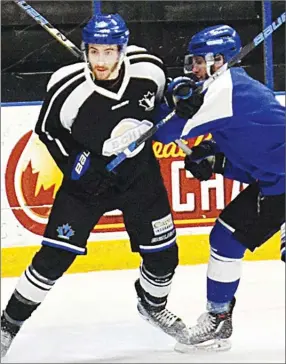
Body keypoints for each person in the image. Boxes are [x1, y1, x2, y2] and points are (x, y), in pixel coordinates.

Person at [1, 13, 190, 358]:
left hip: (139, 176)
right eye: (94, 51)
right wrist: (74, 166)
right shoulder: (66, 87)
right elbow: (48, 132)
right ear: (86, 50)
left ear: (123, 49)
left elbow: (160, 106)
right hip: (87, 185)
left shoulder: (149, 69)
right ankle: (7, 325)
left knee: (164, 256)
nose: (100, 61)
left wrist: (179, 101)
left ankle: (151, 305)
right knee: (53, 259)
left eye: (109, 52)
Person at [154, 24, 285, 352]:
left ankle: (218, 319)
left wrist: (172, 97)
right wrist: (215, 161)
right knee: (225, 238)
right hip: (276, 183)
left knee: (229, 239)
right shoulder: (225, 90)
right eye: (192, 62)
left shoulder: (223, 90)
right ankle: (218, 319)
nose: (194, 68)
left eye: (200, 61)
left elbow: (162, 134)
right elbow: (255, 157)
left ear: (219, 61)